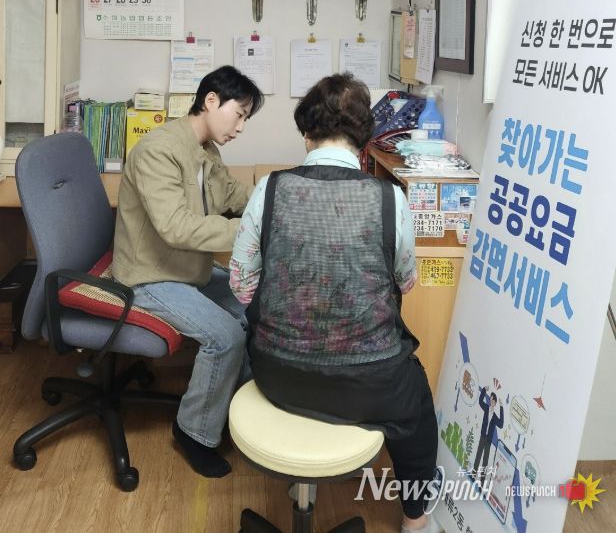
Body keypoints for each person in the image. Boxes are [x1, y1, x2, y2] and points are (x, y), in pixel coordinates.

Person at [229, 73, 437, 531]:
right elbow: (406, 282)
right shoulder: (390, 199)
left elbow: (241, 287)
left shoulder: (270, 189)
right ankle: (415, 517)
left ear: (306, 132)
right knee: (418, 408)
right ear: (364, 141)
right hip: (370, 385)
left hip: (279, 375)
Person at [112, 65, 264, 478]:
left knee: (258, 307)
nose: (241, 127)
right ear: (211, 100)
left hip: (187, 269)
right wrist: (252, 229)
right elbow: (176, 227)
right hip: (149, 275)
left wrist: (276, 199)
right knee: (226, 336)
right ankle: (193, 431)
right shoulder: (157, 151)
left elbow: (233, 195)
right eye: (239, 114)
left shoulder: (205, 150)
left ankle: (234, 411)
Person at [473, 387, 504, 484]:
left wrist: (501, 407)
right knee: (478, 455)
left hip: (488, 440)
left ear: (495, 403)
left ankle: (482, 481)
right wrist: (484, 390)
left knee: (485, 460)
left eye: (493, 401)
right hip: (483, 436)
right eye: (490, 400)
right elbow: (480, 401)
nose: (491, 402)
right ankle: (473, 474)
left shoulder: (494, 416)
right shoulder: (486, 408)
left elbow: (501, 424)